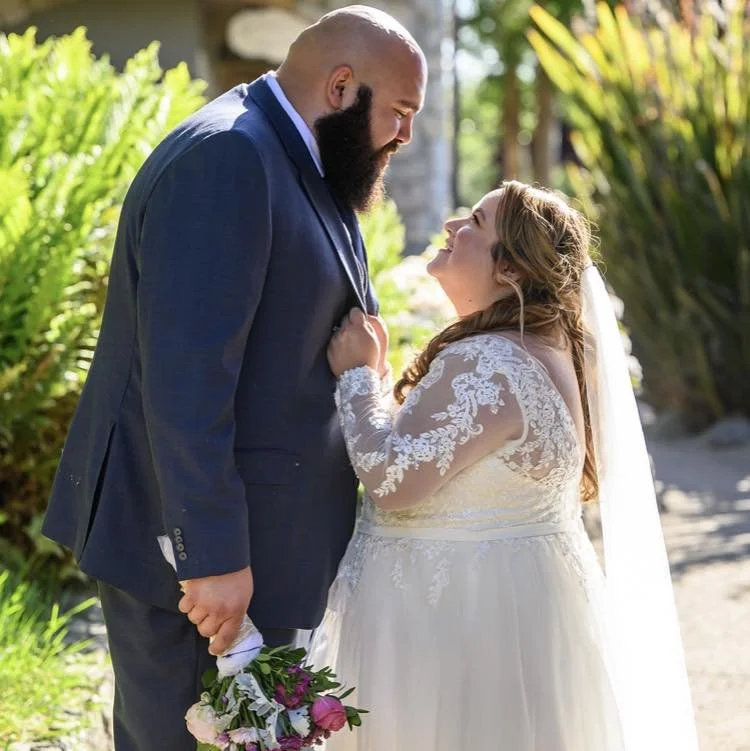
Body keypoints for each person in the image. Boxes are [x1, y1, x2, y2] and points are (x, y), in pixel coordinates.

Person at [41, 6, 426, 750]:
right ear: (342, 86)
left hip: (258, 553)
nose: (404, 136)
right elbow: (187, 378)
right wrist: (211, 559)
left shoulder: (303, 160)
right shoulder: (229, 158)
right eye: (400, 112)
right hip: (200, 573)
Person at [315, 181, 699, 750]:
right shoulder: (544, 351)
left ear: (512, 271)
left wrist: (358, 378)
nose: (451, 227)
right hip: (515, 611)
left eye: (474, 221)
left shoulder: (489, 363)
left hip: (455, 627)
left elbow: (393, 480)